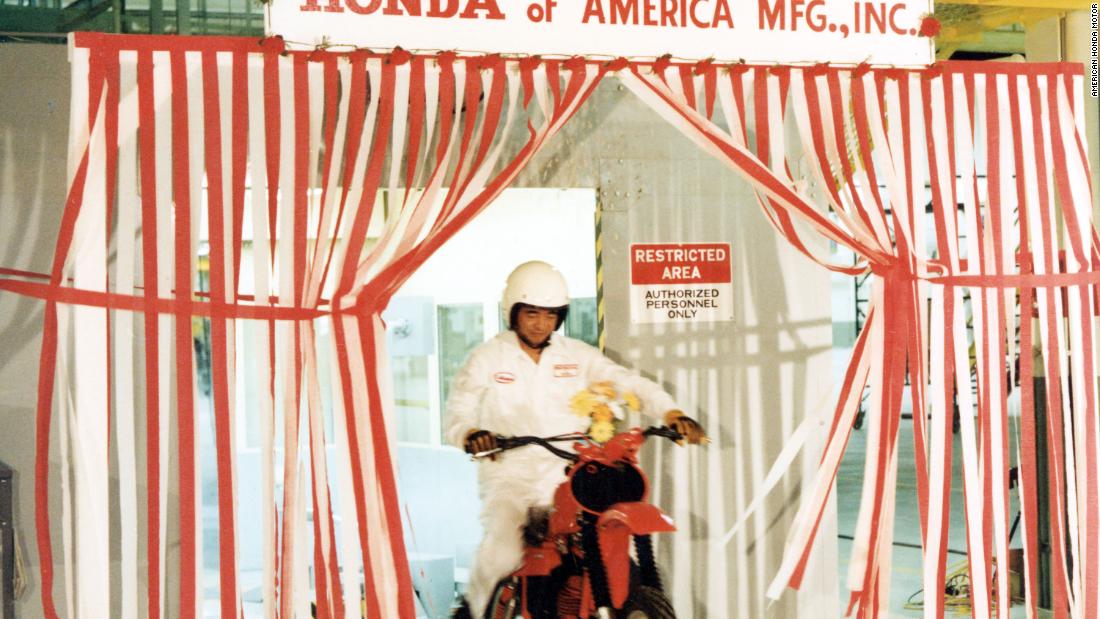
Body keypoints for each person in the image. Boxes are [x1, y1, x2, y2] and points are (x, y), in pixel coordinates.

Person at [444, 260, 706, 617]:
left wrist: (672, 414)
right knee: (503, 551)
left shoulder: (576, 355)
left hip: (571, 471)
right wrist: (471, 434)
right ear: (513, 312)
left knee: (604, 545)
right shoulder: (488, 357)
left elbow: (627, 382)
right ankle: (472, 612)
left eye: (551, 315)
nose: (541, 324)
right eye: (532, 313)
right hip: (511, 472)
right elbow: (458, 411)